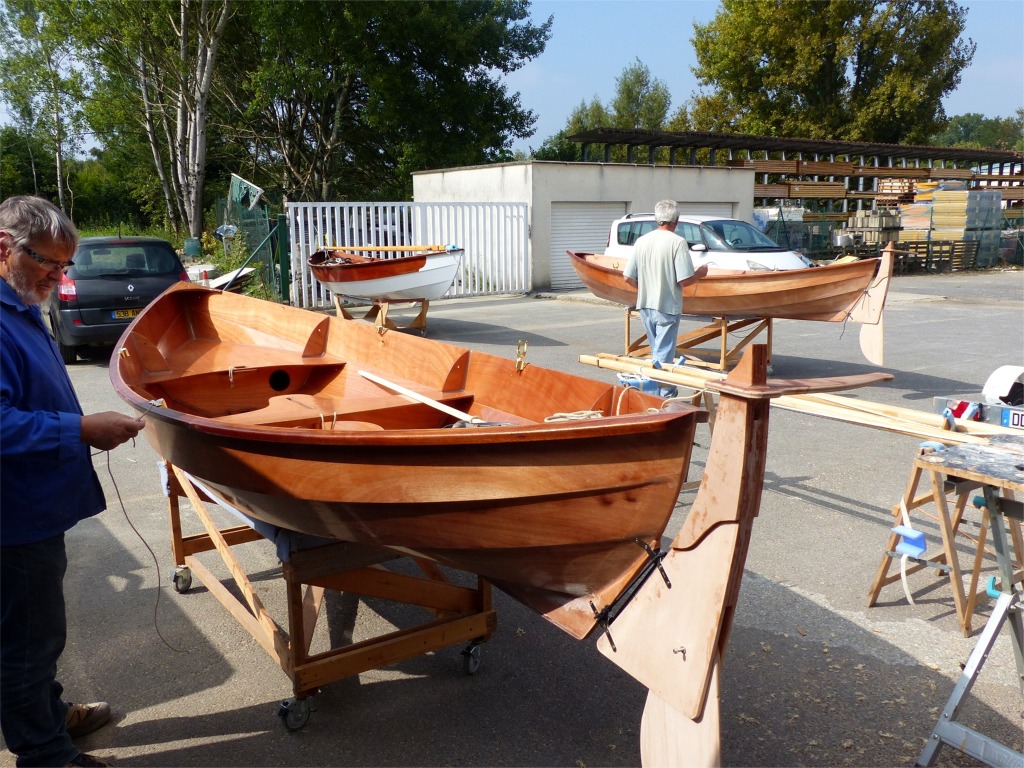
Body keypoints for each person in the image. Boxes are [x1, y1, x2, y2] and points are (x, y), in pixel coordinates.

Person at [1, 196, 144, 767]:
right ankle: (46, 755)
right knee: (27, 645)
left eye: (65, 267)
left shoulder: (17, 302)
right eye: (47, 264)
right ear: (4, 247)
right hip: (13, 518)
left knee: (34, 634)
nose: (58, 277)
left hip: (33, 508)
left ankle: (49, 716)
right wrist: (81, 428)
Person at [623, 199, 708, 396]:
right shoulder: (677, 242)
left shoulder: (641, 241)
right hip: (667, 306)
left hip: (645, 305)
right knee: (663, 355)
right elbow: (684, 281)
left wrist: (644, 289)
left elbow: (627, 277)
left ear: (656, 219)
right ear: (676, 221)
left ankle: (659, 392)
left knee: (657, 353)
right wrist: (700, 273)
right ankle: (661, 395)